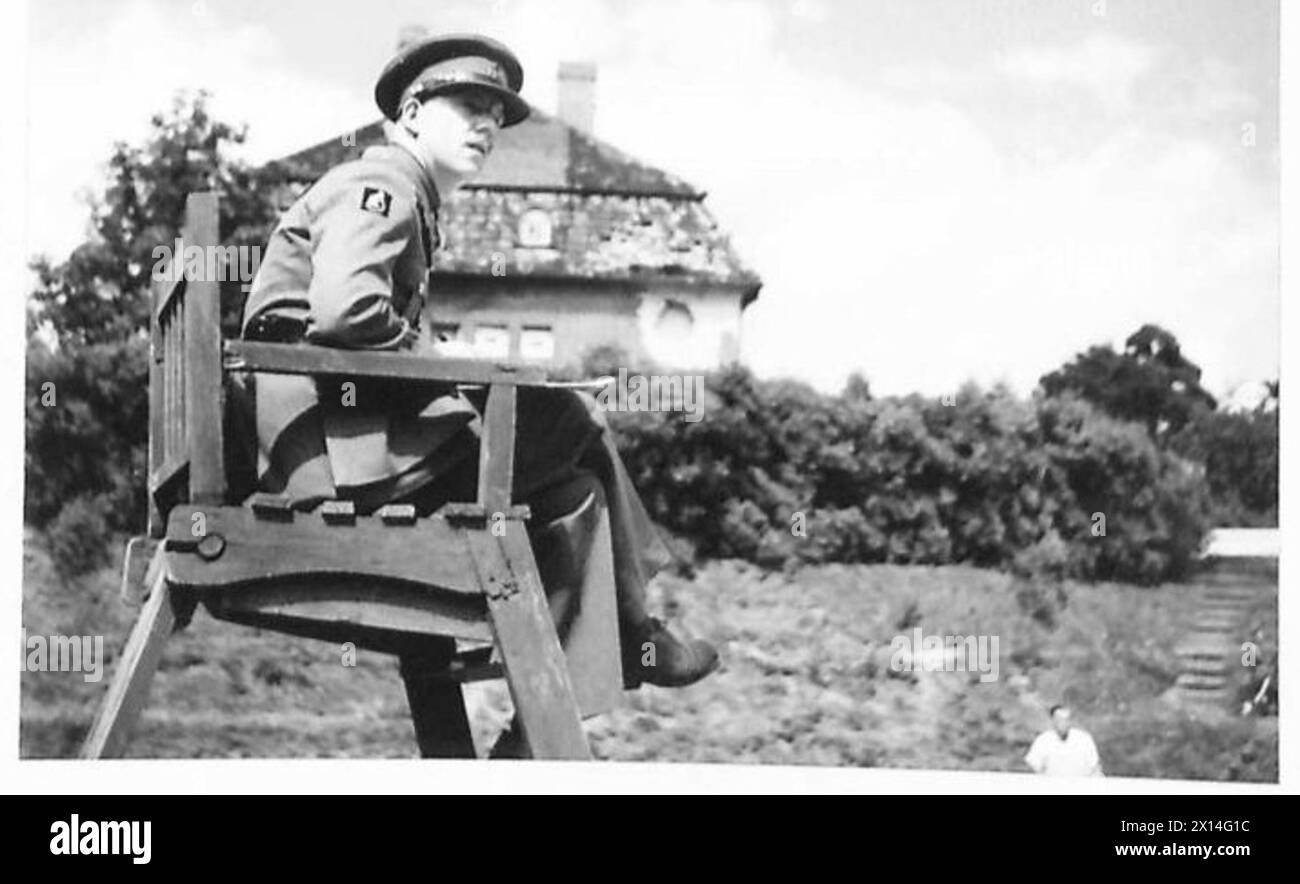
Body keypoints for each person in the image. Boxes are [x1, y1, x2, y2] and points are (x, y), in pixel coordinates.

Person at [238, 33, 719, 755]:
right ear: (409, 114)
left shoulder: (403, 195)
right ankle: (637, 634)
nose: (487, 126)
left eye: (495, 115)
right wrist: (439, 360)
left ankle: (532, 736)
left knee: (574, 499)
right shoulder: (385, 186)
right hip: (328, 456)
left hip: (336, 443)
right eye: (468, 106)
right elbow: (342, 312)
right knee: (572, 413)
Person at [1025, 705, 1104, 776]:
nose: (1063, 723)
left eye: (1066, 720)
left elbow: (1095, 768)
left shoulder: (1084, 739)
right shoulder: (1043, 740)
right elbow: (1033, 767)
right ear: (1053, 721)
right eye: (1059, 720)